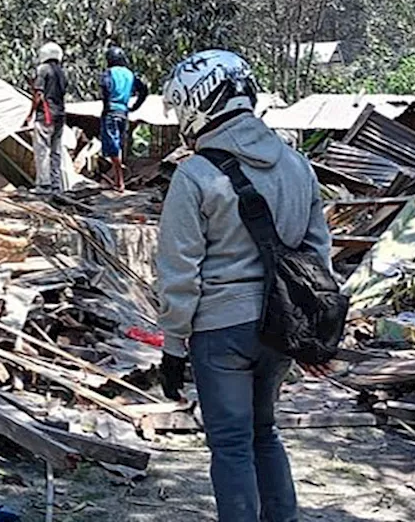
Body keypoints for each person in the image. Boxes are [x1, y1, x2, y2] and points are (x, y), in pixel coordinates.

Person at [156, 50, 331, 522]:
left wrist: (173, 345)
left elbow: (179, 270)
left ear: (194, 106)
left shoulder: (195, 174)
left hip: (221, 330)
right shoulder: (298, 165)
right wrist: (312, 334)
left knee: (231, 444)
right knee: (264, 433)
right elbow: (318, 255)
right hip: (282, 328)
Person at [99, 46, 148, 193]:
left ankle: (119, 180)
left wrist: (106, 106)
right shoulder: (130, 74)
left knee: (111, 146)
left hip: (111, 112)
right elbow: (144, 90)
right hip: (124, 112)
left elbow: (106, 88)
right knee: (118, 144)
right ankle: (116, 178)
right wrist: (135, 106)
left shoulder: (108, 73)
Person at [24, 41, 67, 193]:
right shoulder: (61, 72)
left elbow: (39, 94)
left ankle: (43, 184)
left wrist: (30, 114)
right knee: (56, 151)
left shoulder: (43, 69)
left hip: (46, 116)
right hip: (60, 115)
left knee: (42, 149)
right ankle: (56, 185)